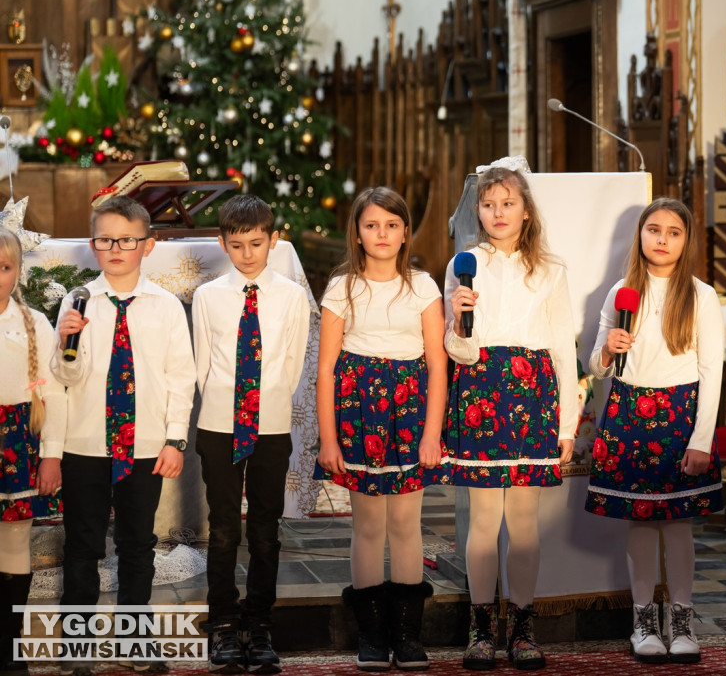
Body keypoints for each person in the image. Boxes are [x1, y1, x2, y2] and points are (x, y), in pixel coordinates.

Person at [51, 196, 196, 676]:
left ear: (147, 245)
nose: (115, 248)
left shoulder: (166, 306)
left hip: (144, 446)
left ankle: (137, 641)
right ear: (93, 245)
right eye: (106, 239)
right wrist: (66, 342)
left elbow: (181, 377)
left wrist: (175, 440)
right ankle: (77, 648)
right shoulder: (77, 302)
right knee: (83, 544)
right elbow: (64, 380)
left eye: (126, 240)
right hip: (85, 444)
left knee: (137, 544)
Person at [445, 162, 578, 671]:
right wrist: (458, 320)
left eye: (507, 203)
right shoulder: (463, 265)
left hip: (531, 395)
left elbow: (564, 348)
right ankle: (481, 628)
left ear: (525, 211)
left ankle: (522, 627)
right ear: (477, 211)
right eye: (488, 204)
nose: (497, 212)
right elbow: (456, 351)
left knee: (522, 522)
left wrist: (567, 423)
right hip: (479, 393)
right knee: (483, 520)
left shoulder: (550, 270)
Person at [584, 197, 724, 665]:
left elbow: (711, 372)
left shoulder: (702, 295)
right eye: (654, 230)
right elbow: (596, 368)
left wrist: (702, 439)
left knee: (677, 522)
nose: (662, 239)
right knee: (641, 521)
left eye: (673, 232)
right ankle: (643, 621)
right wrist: (606, 350)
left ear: (686, 242)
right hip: (628, 410)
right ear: (640, 235)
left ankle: (681, 619)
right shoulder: (621, 291)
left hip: (680, 413)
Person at [314, 187, 449, 672]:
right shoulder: (342, 288)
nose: (382, 234)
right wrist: (328, 439)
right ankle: (371, 636)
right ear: (357, 233)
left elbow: (436, 362)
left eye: (392, 225)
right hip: (358, 411)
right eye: (372, 225)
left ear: (406, 231)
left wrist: (432, 433)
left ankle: (408, 637)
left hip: (410, 413)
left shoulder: (423, 287)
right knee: (369, 525)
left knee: (405, 525)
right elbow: (327, 366)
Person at [192, 194, 310, 674]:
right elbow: (203, 364)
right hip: (219, 424)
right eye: (236, 244)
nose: (246, 253)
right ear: (223, 242)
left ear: (273, 239)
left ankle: (258, 624)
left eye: (256, 243)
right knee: (223, 529)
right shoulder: (208, 295)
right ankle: (222, 622)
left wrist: (265, 408)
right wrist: (226, 406)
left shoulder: (290, 295)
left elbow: (293, 361)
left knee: (265, 530)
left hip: (270, 425)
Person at [0, 228, 66, 676]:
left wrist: (51, 454)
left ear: (18, 271)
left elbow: (55, 395)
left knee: (13, 543)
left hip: (16, 441)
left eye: (4, 267)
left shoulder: (35, 324)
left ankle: (10, 647)